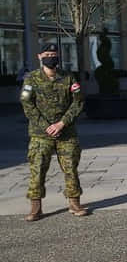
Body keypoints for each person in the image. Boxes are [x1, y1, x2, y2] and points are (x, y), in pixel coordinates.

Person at [19, 42, 88, 221]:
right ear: (39, 57)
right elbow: (27, 105)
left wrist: (62, 123)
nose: (51, 57)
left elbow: (78, 102)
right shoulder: (31, 79)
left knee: (71, 168)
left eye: (53, 54)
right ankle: (36, 207)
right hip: (40, 135)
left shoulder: (68, 78)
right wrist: (46, 126)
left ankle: (74, 203)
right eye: (47, 54)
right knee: (37, 169)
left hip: (66, 133)